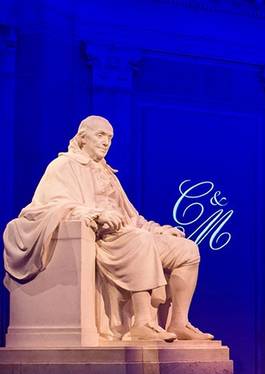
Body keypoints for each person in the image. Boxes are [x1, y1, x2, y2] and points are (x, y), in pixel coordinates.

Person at [4, 115, 213, 341]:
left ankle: (179, 322)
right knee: (140, 240)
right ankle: (142, 323)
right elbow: (48, 205)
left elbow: (131, 216)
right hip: (102, 237)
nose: (106, 142)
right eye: (100, 135)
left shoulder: (107, 173)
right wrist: (96, 214)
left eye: (110, 138)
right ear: (83, 138)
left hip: (126, 233)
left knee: (187, 250)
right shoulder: (63, 166)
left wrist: (158, 229)